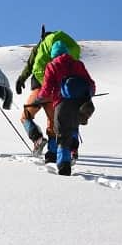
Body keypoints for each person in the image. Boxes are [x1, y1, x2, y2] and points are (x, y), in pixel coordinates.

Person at [14, 26, 81, 163]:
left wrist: (21, 79)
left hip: (40, 89)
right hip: (57, 92)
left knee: (25, 116)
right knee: (52, 123)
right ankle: (52, 153)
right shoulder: (65, 49)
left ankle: (37, 139)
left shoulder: (40, 47)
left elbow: (30, 65)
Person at [37, 40, 95, 176]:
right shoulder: (78, 64)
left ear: (53, 54)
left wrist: (39, 98)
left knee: (62, 135)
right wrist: (87, 95)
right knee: (74, 127)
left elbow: (46, 90)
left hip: (62, 103)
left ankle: (64, 166)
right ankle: (74, 147)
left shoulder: (52, 65)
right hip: (80, 104)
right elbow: (91, 84)